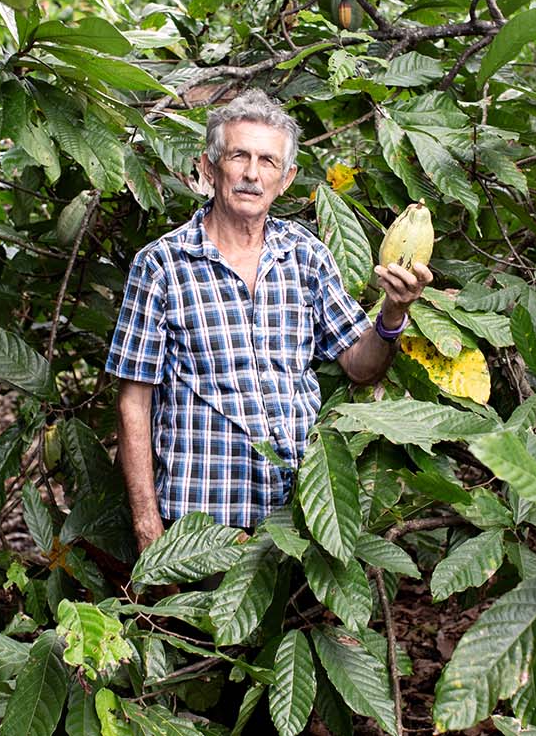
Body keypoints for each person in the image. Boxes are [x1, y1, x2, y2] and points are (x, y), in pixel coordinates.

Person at [106, 90, 432, 550]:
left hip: (298, 516)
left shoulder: (306, 255)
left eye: (268, 161)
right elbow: (133, 403)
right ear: (208, 167)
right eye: (238, 156)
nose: (252, 175)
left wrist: (394, 311)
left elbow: (361, 366)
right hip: (200, 521)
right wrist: (147, 525)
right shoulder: (162, 265)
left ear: (286, 179)